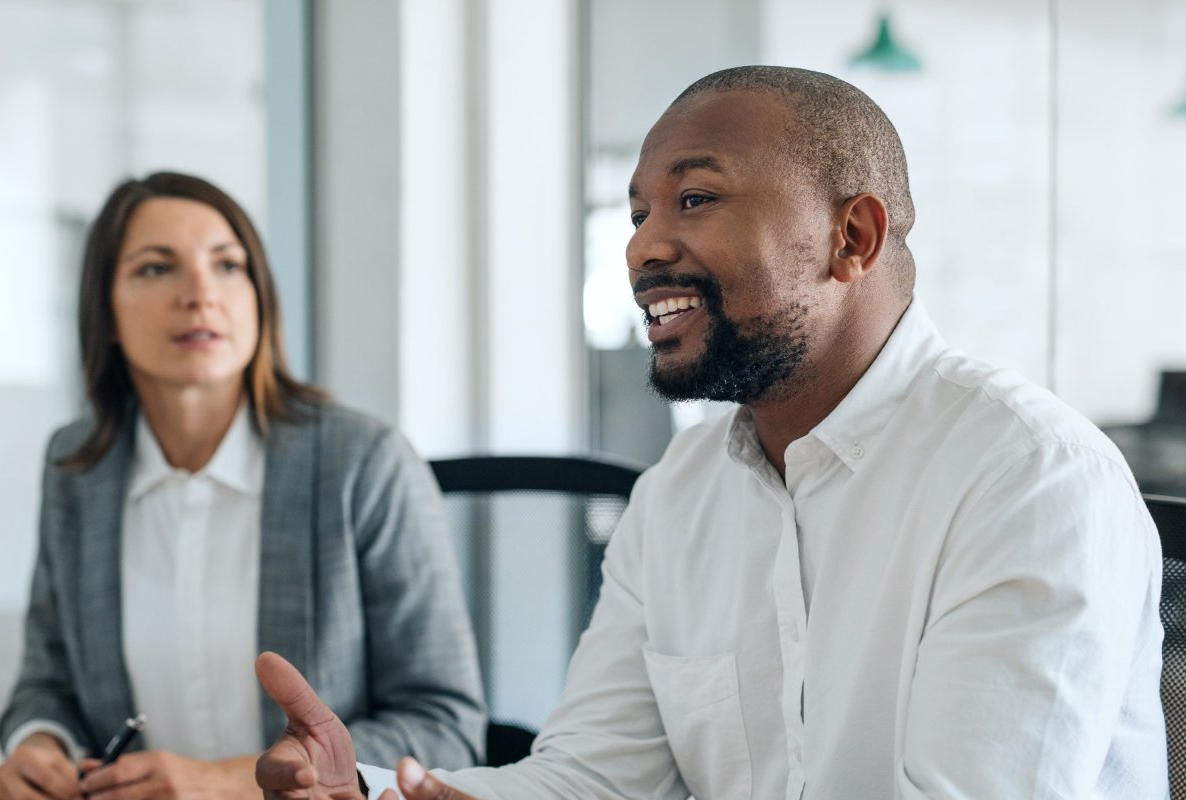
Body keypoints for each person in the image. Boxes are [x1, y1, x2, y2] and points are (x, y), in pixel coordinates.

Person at [253, 66, 1167, 799]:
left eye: (695, 199)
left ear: (853, 236)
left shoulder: (1029, 477)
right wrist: (377, 792)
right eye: (640, 210)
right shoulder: (680, 490)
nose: (642, 247)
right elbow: (597, 777)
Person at [0, 172, 486, 800]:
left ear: (259, 297)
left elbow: (446, 722)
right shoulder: (76, 466)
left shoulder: (364, 462)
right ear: (106, 312)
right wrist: (41, 745)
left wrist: (224, 783)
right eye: (156, 268)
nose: (201, 293)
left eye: (228, 266)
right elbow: (47, 682)